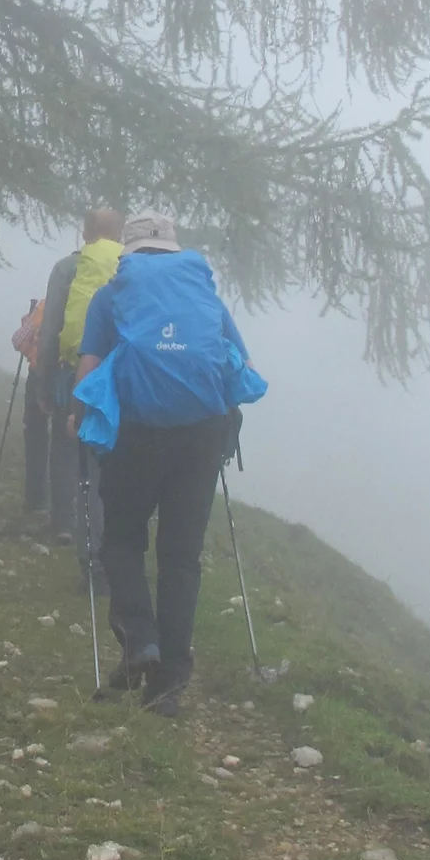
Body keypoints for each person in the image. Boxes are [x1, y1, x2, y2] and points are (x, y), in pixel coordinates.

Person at [71, 212, 265, 715]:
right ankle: (169, 684)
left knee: (122, 539)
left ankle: (140, 640)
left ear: (130, 251)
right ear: (174, 250)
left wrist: (79, 417)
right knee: (181, 555)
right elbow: (240, 365)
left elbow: (89, 369)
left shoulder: (111, 295)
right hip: (202, 435)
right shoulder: (206, 298)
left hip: (136, 434)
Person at [40, 207, 122, 545]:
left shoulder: (67, 268)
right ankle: (105, 528)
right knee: (108, 452)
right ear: (119, 235)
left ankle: (63, 521)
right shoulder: (131, 268)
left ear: (86, 233)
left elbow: (51, 328)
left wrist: (44, 381)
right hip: (116, 372)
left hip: (72, 369)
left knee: (64, 445)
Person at [12, 296, 50, 518]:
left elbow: (18, 340)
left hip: (40, 375)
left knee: (36, 437)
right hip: (73, 377)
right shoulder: (91, 300)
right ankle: (66, 506)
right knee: (67, 442)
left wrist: (29, 324)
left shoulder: (44, 306)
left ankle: (36, 498)